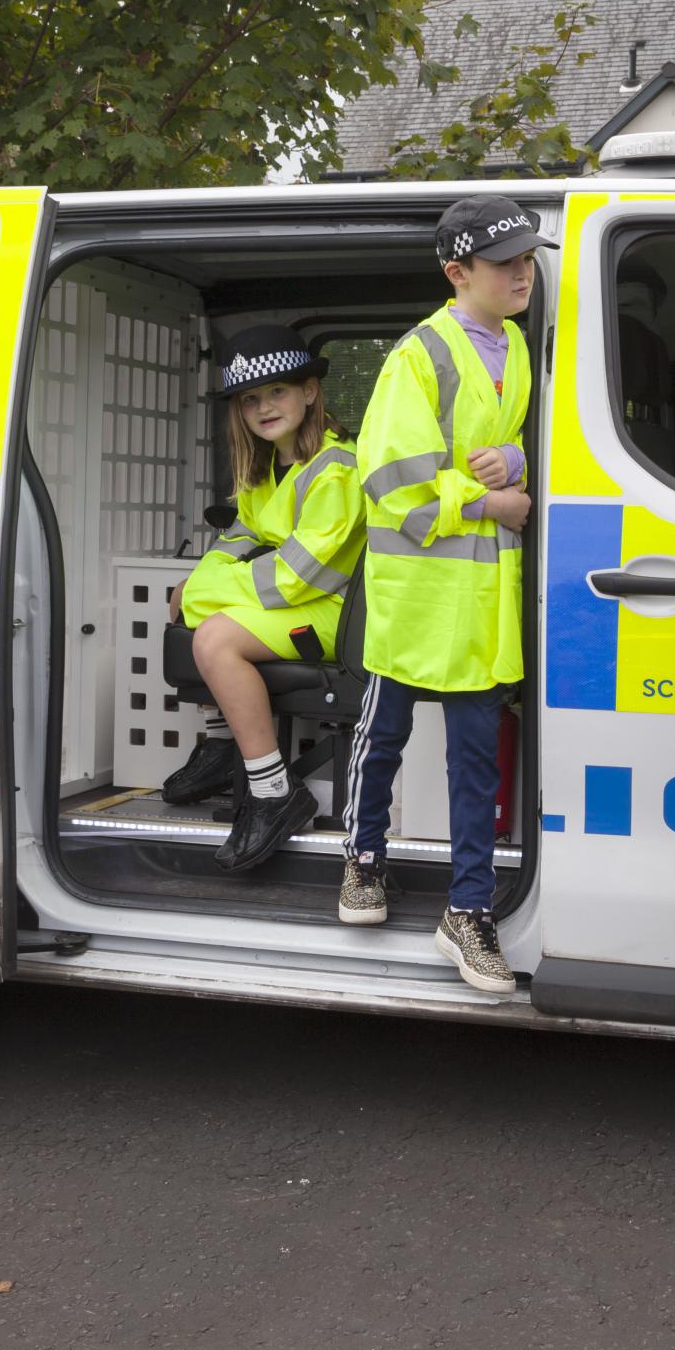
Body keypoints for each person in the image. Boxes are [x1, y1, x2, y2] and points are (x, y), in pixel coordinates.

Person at [338, 194, 543, 993]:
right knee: (381, 736)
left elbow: (517, 439)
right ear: (458, 273)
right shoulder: (418, 355)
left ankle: (467, 912)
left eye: (528, 257)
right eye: (507, 261)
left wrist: (519, 468)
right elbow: (389, 480)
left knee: (475, 769)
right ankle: (362, 863)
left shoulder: (517, 346)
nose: (524, 271)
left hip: (484, 600)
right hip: (419, 592)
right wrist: (488, 500)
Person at [160, 326, 363, 874]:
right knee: (192, 605)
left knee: (217, 635)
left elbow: (300, 576)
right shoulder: (264, 467)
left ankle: (274, 793)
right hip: (296, 600)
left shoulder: (336, 467)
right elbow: (241, 537)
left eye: (278, 391)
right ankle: (223, 745)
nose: (264, 407)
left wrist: (207, 591)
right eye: (251, 399)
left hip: (335, 613)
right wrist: (200, 579)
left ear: (310, 393)